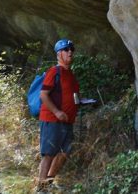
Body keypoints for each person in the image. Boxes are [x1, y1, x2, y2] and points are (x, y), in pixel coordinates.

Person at [37, 38, 80, 191]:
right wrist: (57, 112)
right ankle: (41, 187)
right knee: (48, 153)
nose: (70, 52)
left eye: (71, 50)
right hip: (52, 119)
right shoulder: (54, 72)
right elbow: (43, 95)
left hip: (67, 121)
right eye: (67, 49)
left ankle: (48, 182)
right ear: (59, 54)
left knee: (64, 152)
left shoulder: (70, 74)